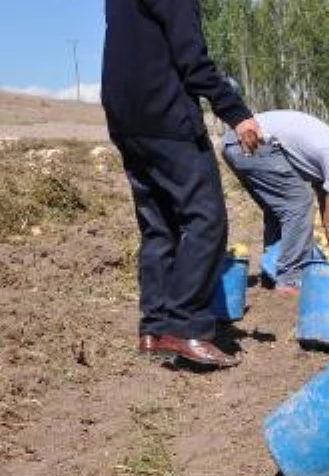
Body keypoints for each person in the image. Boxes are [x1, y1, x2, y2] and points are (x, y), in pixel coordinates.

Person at [102, 0, 261, 368]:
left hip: (125, 116)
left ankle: (154, 329)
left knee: (159, 226)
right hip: (165, 113)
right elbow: (191, 58)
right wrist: (236, 112)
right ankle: (186, 326)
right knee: (207, 218)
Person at [221, 110, 329, 293]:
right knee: (299, 202)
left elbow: (326, 207)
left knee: (280, 209)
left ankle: (272, 272)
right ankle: (290, 279)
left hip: (236, 142)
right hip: (250, 141)